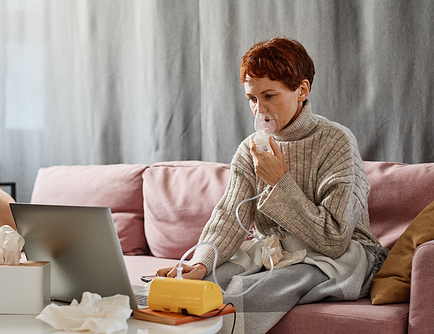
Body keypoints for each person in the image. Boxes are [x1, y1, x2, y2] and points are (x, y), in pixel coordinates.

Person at [156, 37, 388, 333]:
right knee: (202, 284)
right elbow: (228, 215)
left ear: (301, 90)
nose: (259, 109)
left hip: (343, 257)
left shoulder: (336, 141)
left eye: (269, 96)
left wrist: (280, 181)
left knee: (255, 291)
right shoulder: (250, 149)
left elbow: (334, 239)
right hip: (280, 253)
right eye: (252, 99)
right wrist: (201, 265)